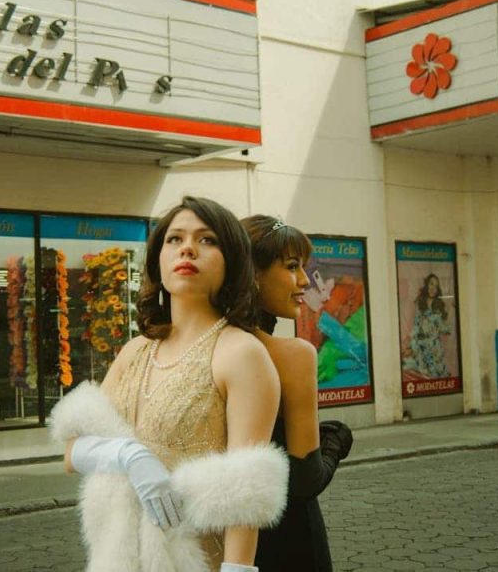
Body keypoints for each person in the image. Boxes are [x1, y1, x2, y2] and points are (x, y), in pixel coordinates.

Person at [50, 197, 287, 572]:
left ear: (233, 262)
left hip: (193, 557)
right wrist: (131, 456)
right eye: (174, 239)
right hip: (119, 556)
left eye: (207, 240)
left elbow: (248, 492)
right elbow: (72, 452)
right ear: (158, 261)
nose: (188, 248)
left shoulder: (241, 354)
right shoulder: (135, 351)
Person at [241, 215, 354, 572]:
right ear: (253, 274)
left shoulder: (206, 346)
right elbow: (306, 481)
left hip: (223, 541)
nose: (305, 281)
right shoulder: (292, 354)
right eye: (292, 267)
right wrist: (337, 439)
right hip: (289, 539)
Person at [401, 273, 452, 378]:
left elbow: (445, 329)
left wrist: (451, 311)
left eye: (436, 286)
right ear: (427, 285)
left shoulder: (439, 305)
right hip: (421, 348)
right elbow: (416, 325)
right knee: (410, 369)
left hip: (434, 349)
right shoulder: (421, 303)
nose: (433, 288)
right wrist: (409, 338)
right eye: (431, 284)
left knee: (436, 378)